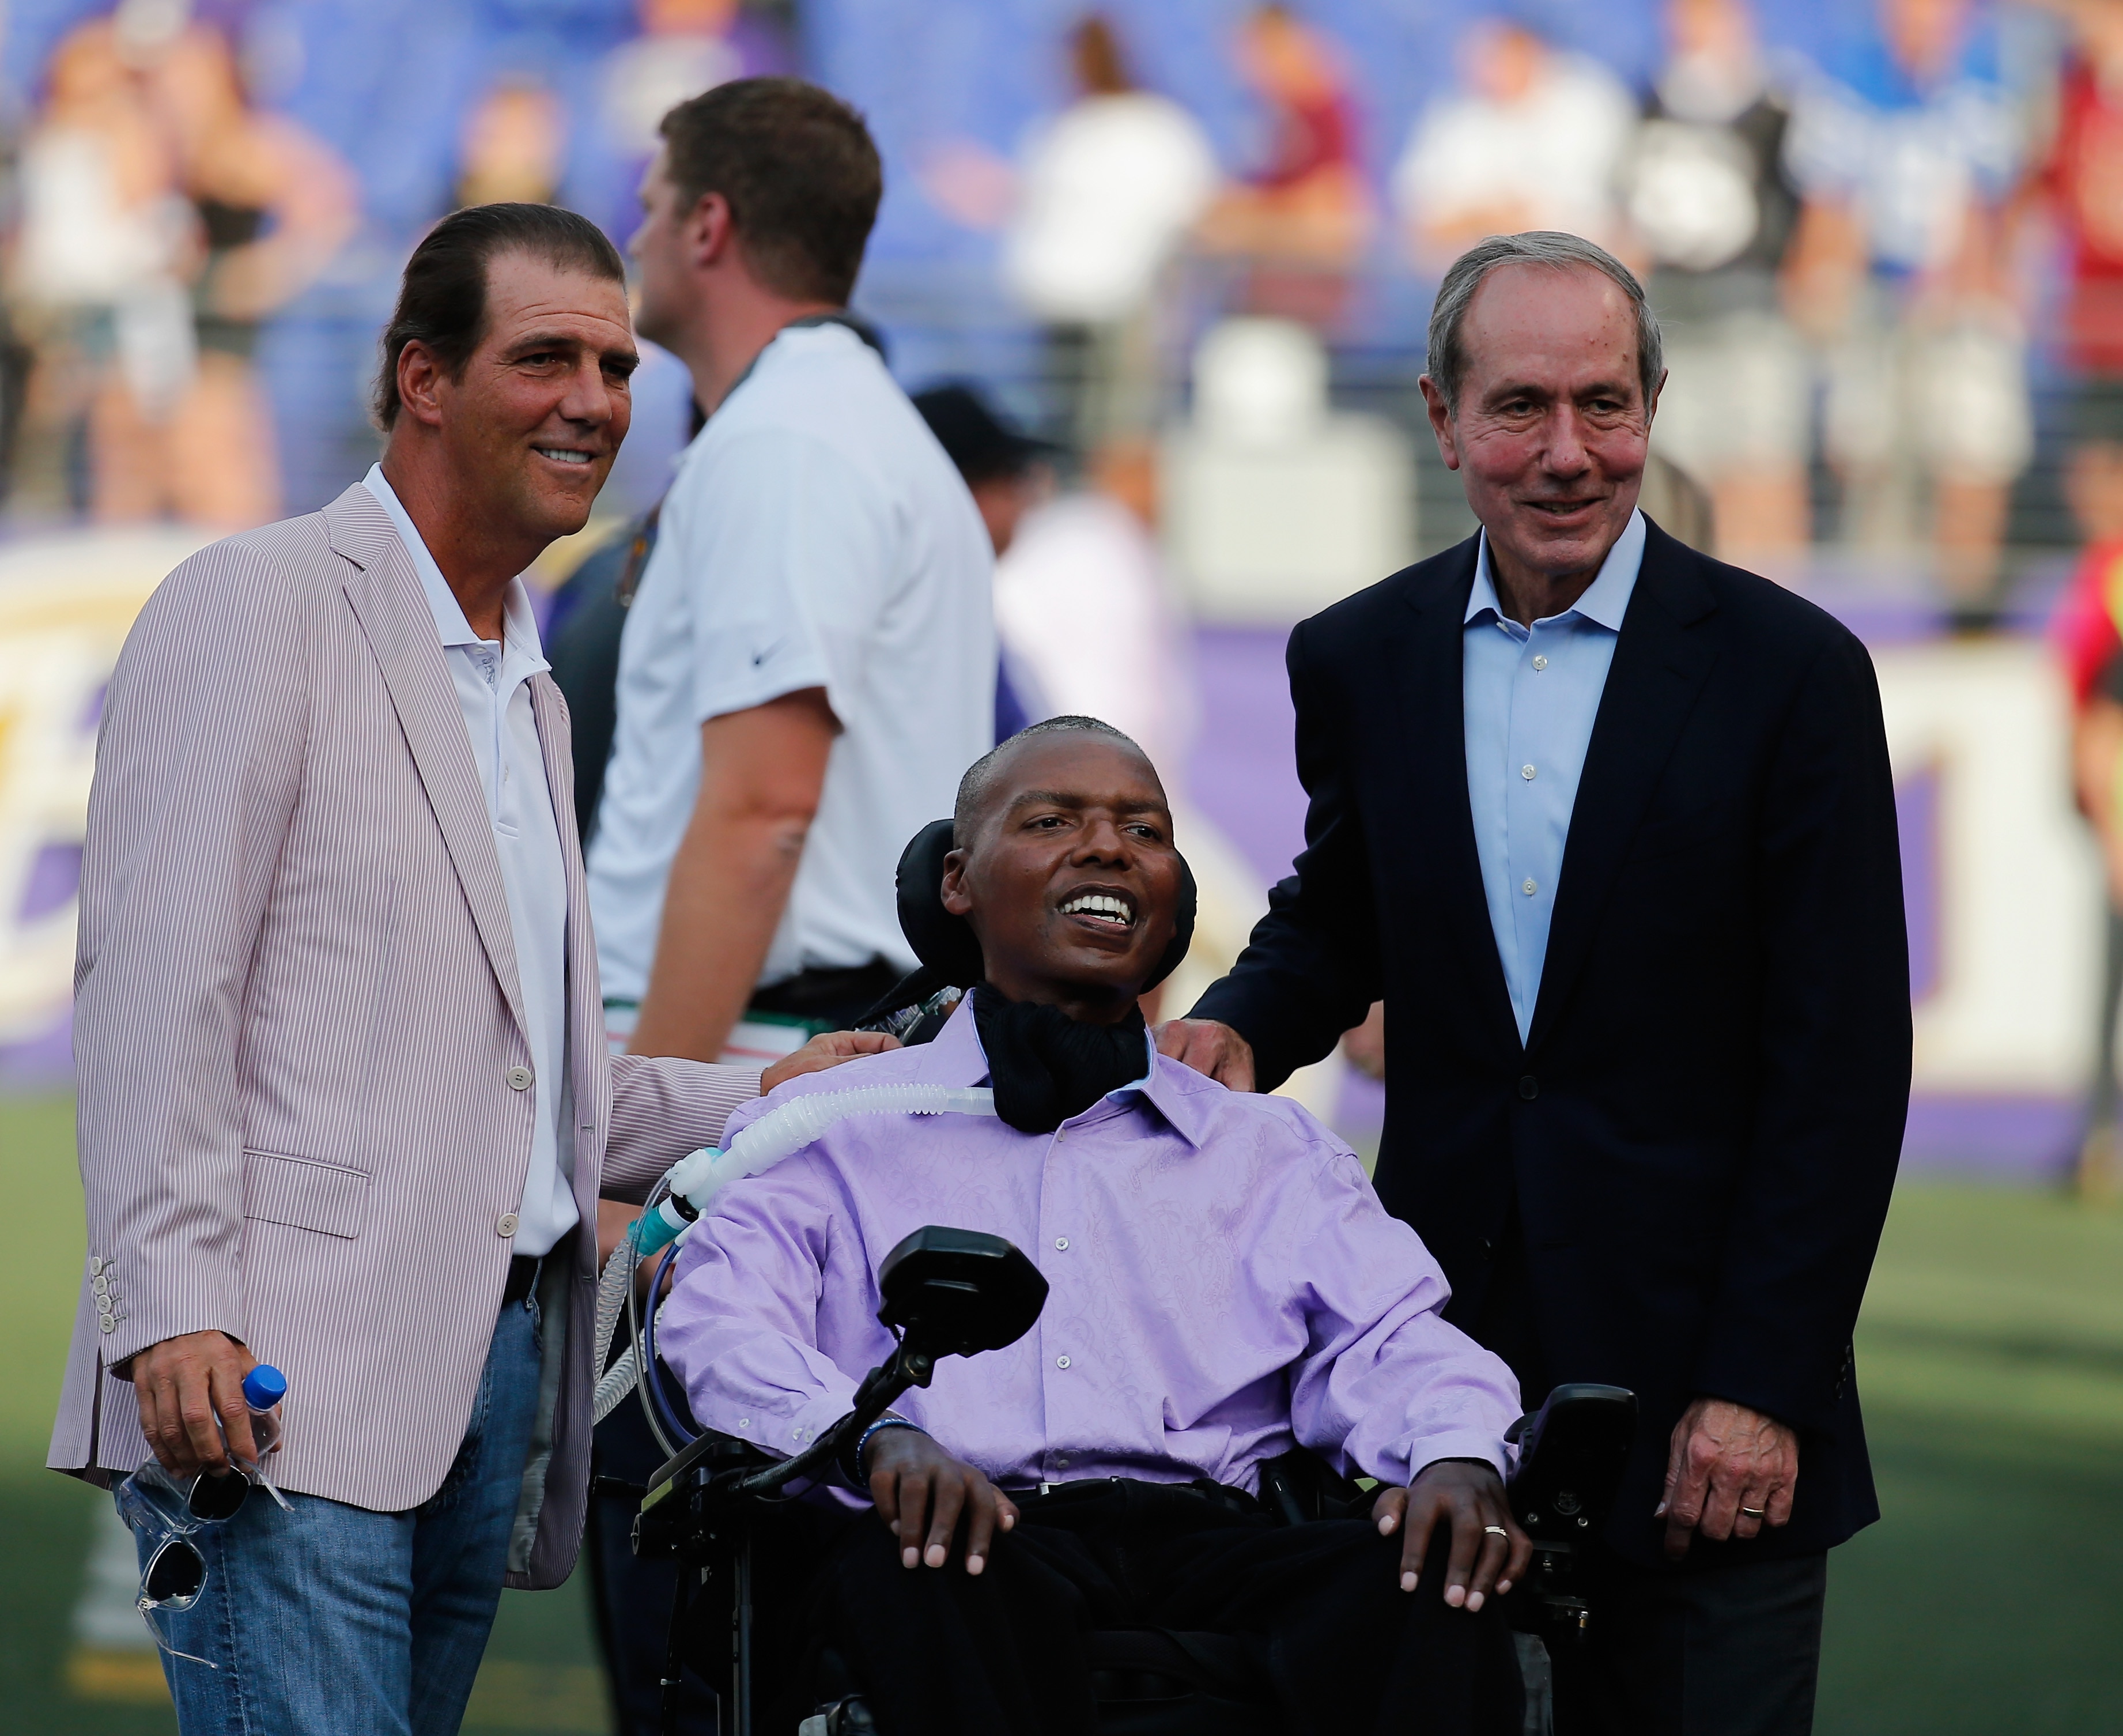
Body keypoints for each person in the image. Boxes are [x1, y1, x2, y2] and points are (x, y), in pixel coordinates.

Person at [47, 201, 882, 1736]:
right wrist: (169, 1302)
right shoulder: (258, 603)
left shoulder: (526, 681)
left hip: (489, 1380)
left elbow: (539, 1091)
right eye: (544, 357)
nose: (596, 400)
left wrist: (773, 1093)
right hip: (270, 1374)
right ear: (419, 377)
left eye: (620, 366)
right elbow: (157, 988)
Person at [1160, 232, 1910, 1735]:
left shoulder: (1791, 672)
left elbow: (1839, 1065)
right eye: (1519, 408)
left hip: (1710, 1416)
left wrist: (1759, 1384)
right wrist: (1234, 1026)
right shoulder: (1359, 655)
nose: (1568, 452)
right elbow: (1346, 914)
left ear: (1653, 403)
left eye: (1604, 404)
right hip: (1435, 1394)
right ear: (1440, 419)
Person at [659, 716, 1531, 1736]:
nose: (1108, 846)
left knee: (1433, 1580)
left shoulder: (1267, 1150)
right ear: (956, 881)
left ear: (1173, 905)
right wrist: (870, 1438)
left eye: (1142, 829)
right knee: (925, 1571)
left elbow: (1393, 1342)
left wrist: (1454, 1452)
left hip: (1215, 1536)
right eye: (1050, 820)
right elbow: (718, 1326)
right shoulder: (830, 1126)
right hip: (948, 1524)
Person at [588, 77, 996, 1069]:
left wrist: (639, 1135)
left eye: (650, 207)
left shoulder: (791, 438)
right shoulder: (832, 422)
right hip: (781, 1036)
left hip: (745, 1049)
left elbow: (762, 810)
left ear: (707, 225)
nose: (634, 241)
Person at [1781, 0, 2030, 611]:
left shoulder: (1987, 79)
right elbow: (1828, 205)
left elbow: (1993, 206)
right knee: (1868, 461)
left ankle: (1966, 615)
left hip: (1959, 305)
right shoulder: (1849, 79)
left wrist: (1953, 284)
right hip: (1874, 302)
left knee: (1973, 456)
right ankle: (1880, 624)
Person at [1622, 0, 1809, 560]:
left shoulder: (1778, 101)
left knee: (1762, 463)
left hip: (1751, 308)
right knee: (1681, 474)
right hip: (1674, 313)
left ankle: (1775, 611)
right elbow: (1629, 213)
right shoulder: (1648, 100)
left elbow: (1816, 202)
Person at [1391, 18, 1636, 269]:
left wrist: (1481, 218)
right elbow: (1423, 221)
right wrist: (1491, 216)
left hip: (1571, 270)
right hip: (1473, 274)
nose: (1493, 71)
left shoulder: (1584, 102)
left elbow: (1571, 220)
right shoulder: (1458, 113)